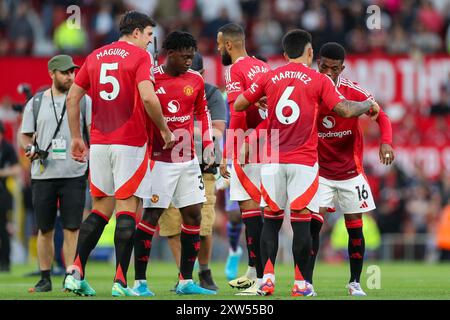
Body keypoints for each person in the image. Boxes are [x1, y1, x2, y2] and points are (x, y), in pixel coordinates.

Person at [234, 29, 381, 297]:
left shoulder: (270, 75)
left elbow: (241, 104)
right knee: (302, 222)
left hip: (273, 160)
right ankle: (301, 285)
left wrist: (264, 99)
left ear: (284, 52)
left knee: (271, 221)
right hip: (303, 161)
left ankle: (267, 280)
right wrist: (368, 105)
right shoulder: (318, 79)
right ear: (310, 52)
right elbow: (345, 109)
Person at [63, 11, 175, 297]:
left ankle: (75, 271)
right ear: (136, 32)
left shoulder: (96, 54)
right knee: (127, 209)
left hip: (99, 143)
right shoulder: (140, 57)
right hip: (130, 142)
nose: (151, 41)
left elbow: (73, 97)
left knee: (101, 209)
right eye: (150, 35)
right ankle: (120, 282)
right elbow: (149, 97)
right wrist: (163, 129)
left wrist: (77, 137)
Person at [304, 42, 395, 296]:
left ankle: (355, 282)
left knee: (355, 225)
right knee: (313, 225)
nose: (329, 73)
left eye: (334, 69)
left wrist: (386, 143)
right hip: (319, 171)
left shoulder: (353, 92)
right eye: (324, 67)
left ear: (342, 68)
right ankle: (307, 283)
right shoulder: (309, 89)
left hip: (350, 172)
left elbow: (382, 116)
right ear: (317, 64)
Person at [132, 30, 216, 296]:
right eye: (185, 56)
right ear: (170, 54)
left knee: (194, 215)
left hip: (188, 159)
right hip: (159, 160)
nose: (189, 61)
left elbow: (202, 111)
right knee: (151, 216)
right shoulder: (151, 78)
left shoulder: (195, 80)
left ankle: (185, 282)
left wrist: (210, 144)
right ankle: (139, 282)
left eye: (192, 56)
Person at [19, 54, 92, 292]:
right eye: (65, 72)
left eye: (72, 72)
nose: (71, 76)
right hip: (43, 173)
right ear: (52, 74)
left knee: (72, 228)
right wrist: (30, 148)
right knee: (45, 229)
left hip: (74, 172)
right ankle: (45, 278)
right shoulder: (36, 102)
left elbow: (94, 132)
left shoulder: (84, 101)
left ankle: (71, 277)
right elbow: (24, 135)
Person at [157, 52, 226, 291]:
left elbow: (217, 131)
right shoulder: (163, 85)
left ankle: (204, 271)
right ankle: (183, 276)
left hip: (202, 166)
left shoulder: (211, 92)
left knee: (204, 225)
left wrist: (180, 126)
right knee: (171, 224)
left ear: (201, 74)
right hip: (168, 162)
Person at [217, 22, 270, 295]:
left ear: (228, 44)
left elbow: (236, 112)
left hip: (248, 149)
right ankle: (253, 271)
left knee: (251, 214)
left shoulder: (234, 69)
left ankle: (262, 279)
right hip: (266, 146)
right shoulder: (261, 67)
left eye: (219, 44)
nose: (217, 49)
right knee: (252, 212)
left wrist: (230, 152)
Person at [0, 120, 21, 273]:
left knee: (3, 228)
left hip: (2, 193)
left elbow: (17, 169)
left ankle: (5, 263)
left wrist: (2, 173)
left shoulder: (7, 148)